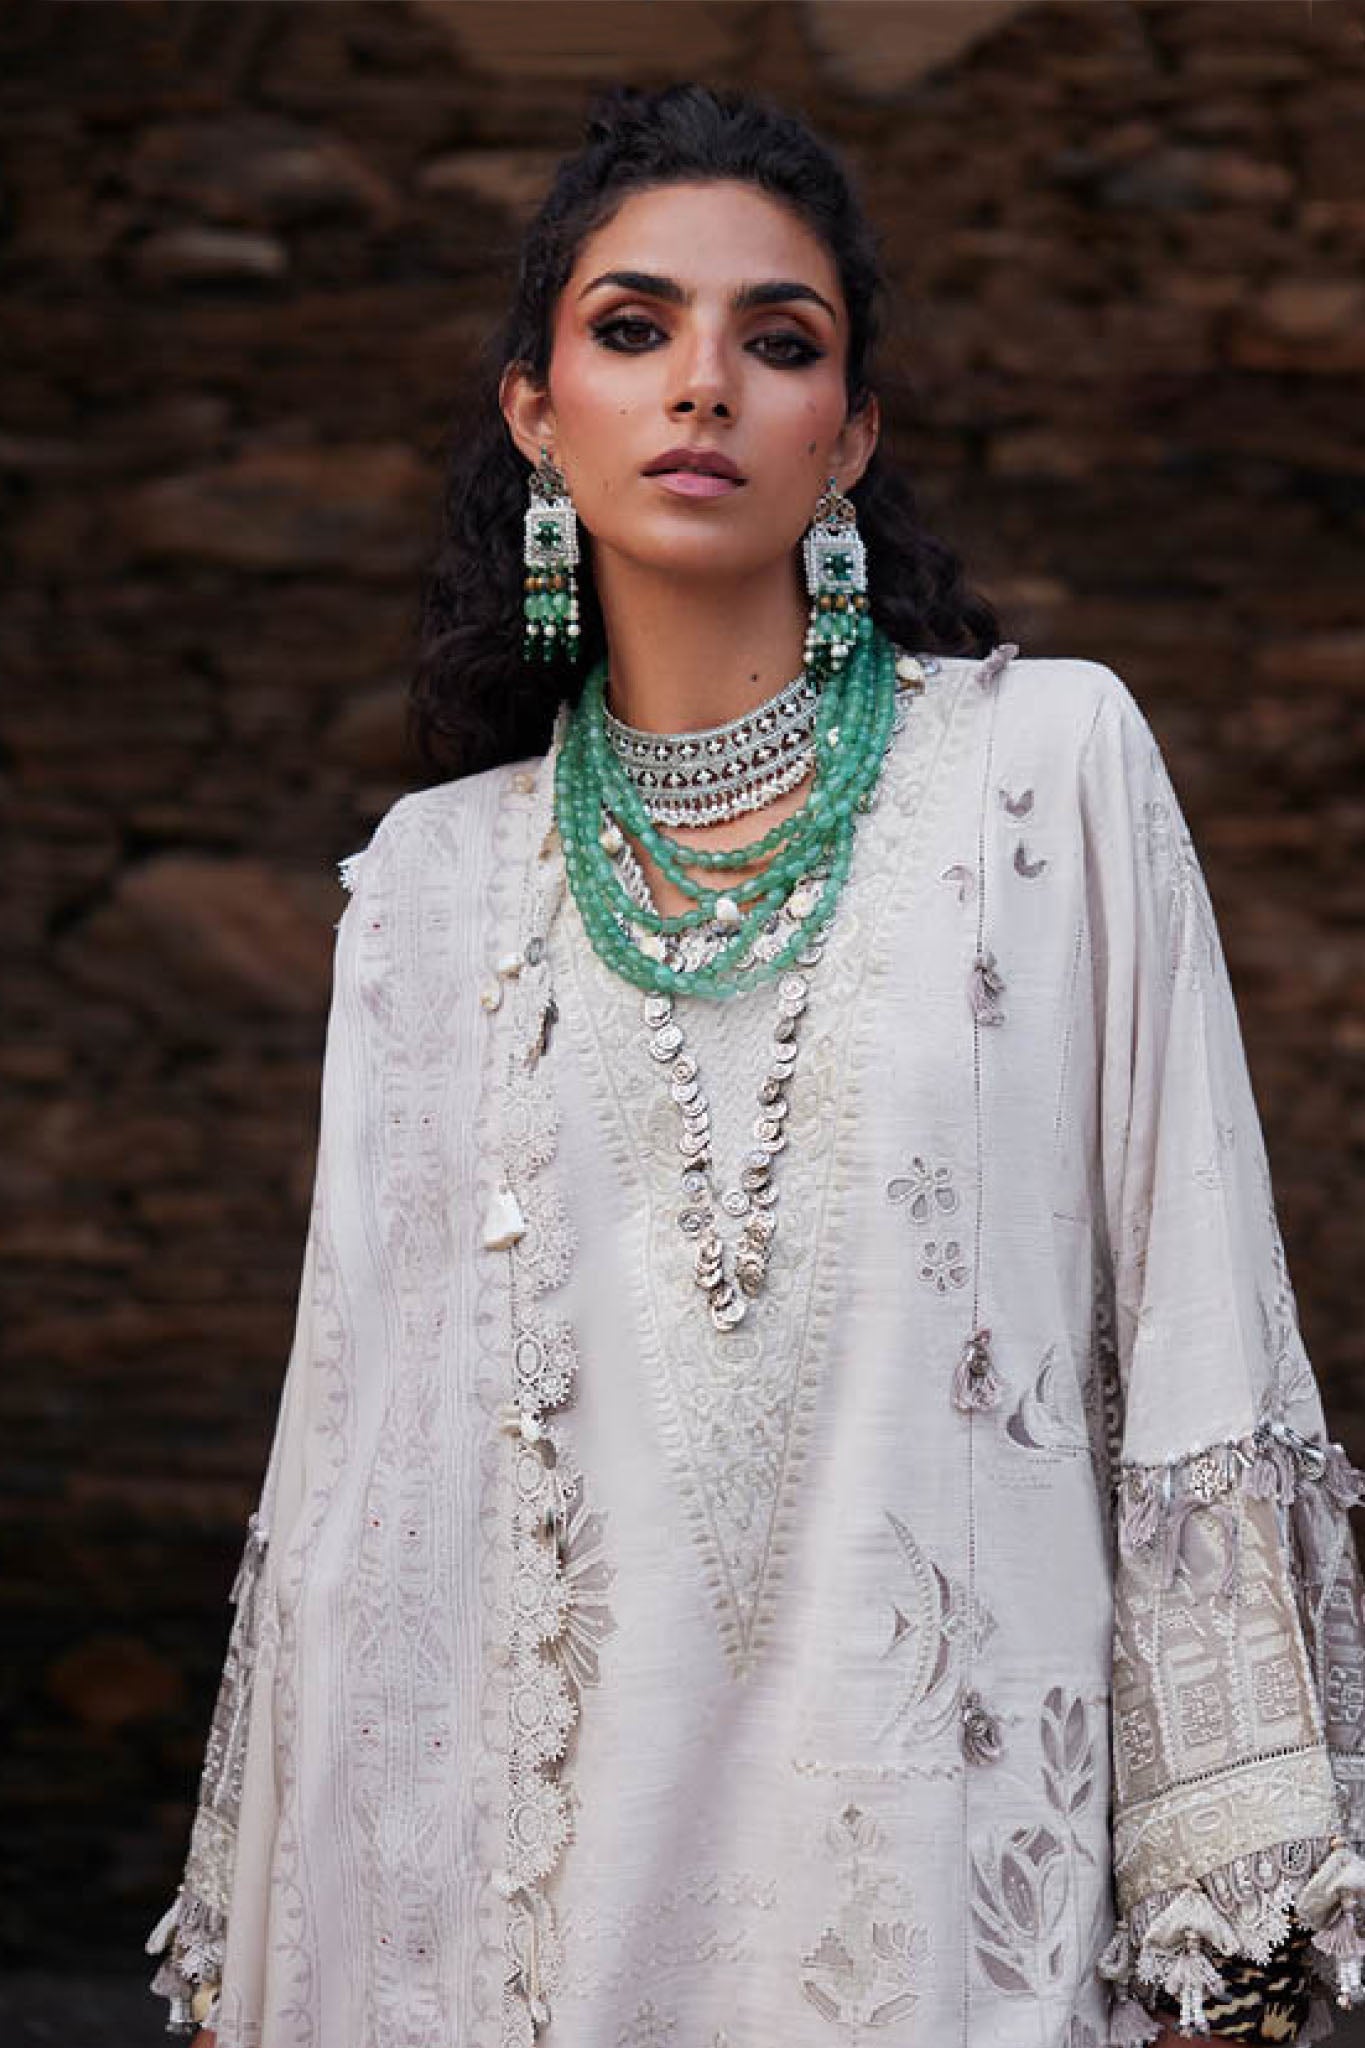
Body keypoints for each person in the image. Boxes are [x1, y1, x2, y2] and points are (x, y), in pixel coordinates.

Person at [147, 82, 1365, 2048]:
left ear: (849, 435)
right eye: (633, 328)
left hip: (949, 1922)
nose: (701, 382)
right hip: (515, 1942)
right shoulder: (433, 890)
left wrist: (1226, 1942)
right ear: (535, 413)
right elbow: (346, 1460)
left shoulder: (1046, 771)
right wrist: (249, 1948)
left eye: (776, 341)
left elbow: (1197, 1331)